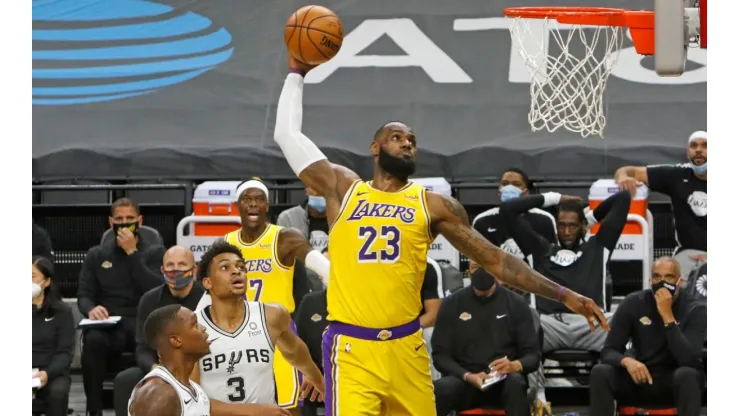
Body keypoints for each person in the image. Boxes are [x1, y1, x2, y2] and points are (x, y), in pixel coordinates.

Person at [271, 55, 608, 415]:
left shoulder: (433, 205)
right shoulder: (343, 188)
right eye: (396, 137)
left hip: (407, 349)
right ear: (375, 148)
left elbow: (497, 261)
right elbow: (286, 135)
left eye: (412, 140)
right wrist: (296, 73)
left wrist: (563, 293)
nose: (406, 143)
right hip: (353, 350)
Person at [214, 178, 330, 414]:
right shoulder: (224, 244)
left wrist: (331, 274)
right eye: (247, 199)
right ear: (238, 205)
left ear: (267, 205)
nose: (253, 205)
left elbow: (314, 260)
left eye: (259, 199)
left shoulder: (284, 237)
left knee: (290, 407)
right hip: (237, 335)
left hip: (278, 335)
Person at [191, 241, 325, 413]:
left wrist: (315, 376)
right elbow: (192, 399)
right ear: (207, 282)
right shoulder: (193, 327)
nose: (236, 271)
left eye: (241, 267)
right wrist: (254, 411)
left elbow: (294, 352)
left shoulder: (272, 316)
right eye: (225, 267)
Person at [499, 190, 632, 351]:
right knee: (525, 323)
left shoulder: (598, 246)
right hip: (549, 324)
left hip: (590, 325)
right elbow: (507, 209)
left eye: (573, 226)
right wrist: (555, 198)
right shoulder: (539, 249)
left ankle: (608, 374)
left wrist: (591, 218)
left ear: (583, 226)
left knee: (621, 321)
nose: (567, 232)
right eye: (562, 226)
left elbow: (623, 198)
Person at [77, 198, 165, 416]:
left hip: (141, 322)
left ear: (140, 221)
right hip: (111, 324)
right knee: (93, 340)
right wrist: (91, 309)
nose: (124, 224)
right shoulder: (97, 255)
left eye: (129, 219)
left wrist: (132, 253)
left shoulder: (155, 252)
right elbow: (84, 295)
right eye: (119, 219)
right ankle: (93, 409)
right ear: (110, 222)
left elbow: (155, 290)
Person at [590, 257, 707, 416]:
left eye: (669, 277)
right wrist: (627, 361)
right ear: (650, 280)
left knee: (688, 374)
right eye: (657, 277)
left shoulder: (696, 309)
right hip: (640, 376)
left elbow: (689, 360)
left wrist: (667, 315)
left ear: (680, 281)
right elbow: (608, 351)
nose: (662, 282)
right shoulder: (634, 302)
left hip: (674, 379)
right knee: (600, 371)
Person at [128, 305, 293, 416]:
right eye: (194, 325)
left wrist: (262, 410)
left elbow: (213, 407)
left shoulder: (192, 389)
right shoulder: (158, 392)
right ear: (176, 341)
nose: (204, 328)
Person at [432, 268, 540, 416]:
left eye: (486, 265)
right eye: (477, 266)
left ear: (496, 270)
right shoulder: (451, 304)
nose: (482, 271)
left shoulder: (516, 303)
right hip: (466, 382)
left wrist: (514, 365)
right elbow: (440, 356)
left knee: (515, 383)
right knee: (440, 388)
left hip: (503, 382)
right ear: (468, 271)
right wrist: (468, 376)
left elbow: (533, 356)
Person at [114, 246, 206, 416]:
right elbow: (142, 347)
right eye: (170, 265)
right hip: (160, 366)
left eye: (181, 264)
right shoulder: (149, 300)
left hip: (200, 365)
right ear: (162, 270)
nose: (175, 270)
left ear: (194, 269)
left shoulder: (206, 298)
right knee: (124, 380)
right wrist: (156, 369)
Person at [614, 131, 707, 278]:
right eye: (694, 146)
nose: (698, 150)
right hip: (687, 254)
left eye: (705, 146)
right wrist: (623, 177)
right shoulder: (677, 174)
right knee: (666, 281)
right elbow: (627, 170)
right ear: (688, 152)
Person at [472, 168, 557, 270]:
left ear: (526, 193)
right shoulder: (482, 221)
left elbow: (552, 259)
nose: (509, 187)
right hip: (497, 283)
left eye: (516, 184)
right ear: (499, 191)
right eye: (505, 183)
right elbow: (476, 260)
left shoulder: (545, 219)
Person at [32, 256, 75, 416]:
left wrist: (46, 373)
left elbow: (65, 353)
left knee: (58, 392)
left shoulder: (61, 312)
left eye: (32, 276)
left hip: (50, 373)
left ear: (47, 281)